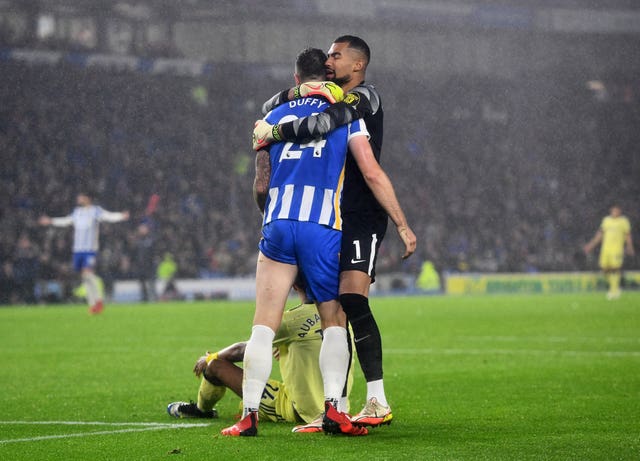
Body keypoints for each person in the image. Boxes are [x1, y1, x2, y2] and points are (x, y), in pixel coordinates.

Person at [222, 47, 415, 438]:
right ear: (327, 75)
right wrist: (402, 223)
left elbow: (261, 185)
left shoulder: (271, 117)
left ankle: (247, 418)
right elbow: (370, 170)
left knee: (262, 327)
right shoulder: (347, 113)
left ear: (295, 80)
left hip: (277, 223)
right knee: (332, 323)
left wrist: (272, 217)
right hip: (323, 226)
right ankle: (334, 412)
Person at [167, 302, 353, 433]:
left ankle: (201, 410)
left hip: (298, 409)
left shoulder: (293, 320)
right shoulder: (342, 315)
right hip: (337, 407)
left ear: (295, 285)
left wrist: (211, 357)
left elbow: (245, 349)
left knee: (215, 367)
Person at [39, 192, 129, 313]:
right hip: (78, 250)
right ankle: (93, 304)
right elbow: (66, 221)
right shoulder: (77, 212)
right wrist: (51, 221)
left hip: (89, 250)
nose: (78, 198)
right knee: (84, 276)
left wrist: (121, 216)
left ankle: (99, 301)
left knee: (87, 274)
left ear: (88, 198)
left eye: (81, 196)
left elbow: (108, 216)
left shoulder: (95, 211)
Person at [583, 204, 634, 300]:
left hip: (617, 249)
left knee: (615, 268)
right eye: (614, 210)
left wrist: (629, 246)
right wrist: (591, 245)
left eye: (617, 210)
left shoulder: (623, 221)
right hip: (606, 249)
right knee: (604, 269)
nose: (615, 211)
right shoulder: (606, 220)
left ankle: (614, 290)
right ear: (611, 210)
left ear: (620, 211)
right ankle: (614, 288)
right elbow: (600, 235)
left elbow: (627, 235)